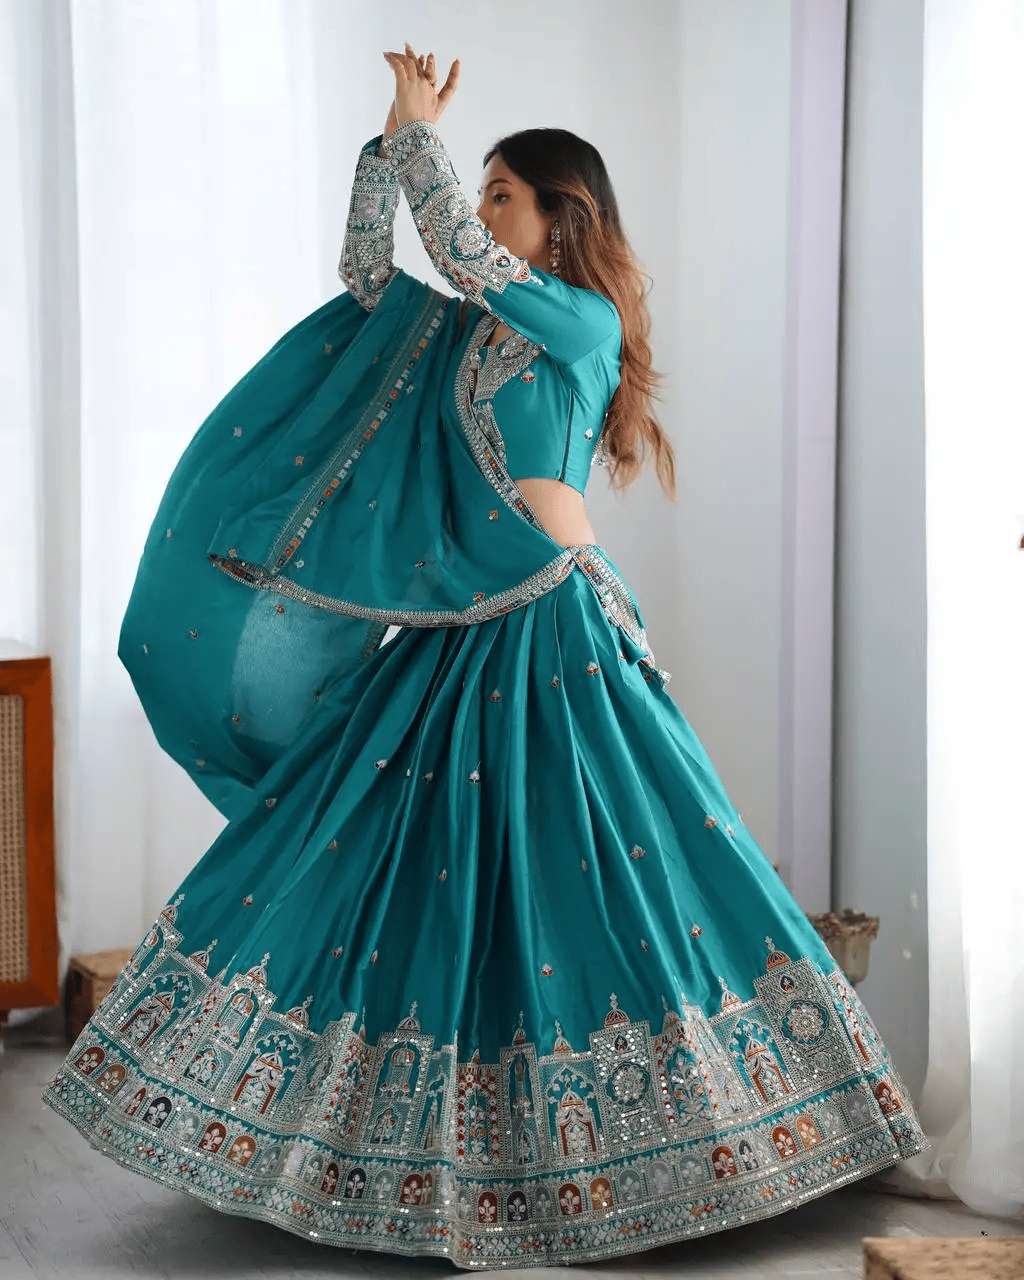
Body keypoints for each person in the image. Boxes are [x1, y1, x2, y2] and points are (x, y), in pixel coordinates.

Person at [41, 41, 928, 1271]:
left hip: (555, 617)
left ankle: (726, 1133)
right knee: (388, 852)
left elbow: (458, 249)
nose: (486, 211)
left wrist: (425, 141)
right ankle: (382, 1145)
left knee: (614, 862)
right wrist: (386, 142)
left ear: (564, 218)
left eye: (505, 192)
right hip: (462, 625)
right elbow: (369, 276)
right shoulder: (461, 335)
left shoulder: (580, 319)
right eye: (486, 190)